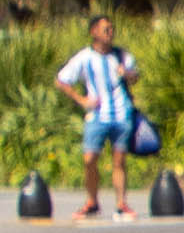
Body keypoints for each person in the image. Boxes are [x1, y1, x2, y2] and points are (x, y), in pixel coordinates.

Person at [56, 16, 139, 218]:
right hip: (97, 115)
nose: (110, 33)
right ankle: (92, 201)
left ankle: (121, 203)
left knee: (119, 160)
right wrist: (81, 99)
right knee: (89, 158)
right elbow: (61, 80)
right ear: (94, 32)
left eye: (111, 29)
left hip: (121, 113)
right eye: (105, 29)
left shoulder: (121, 56)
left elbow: (135, 76)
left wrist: (127, 74)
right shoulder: (84, 57)